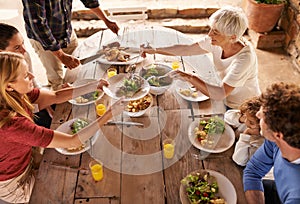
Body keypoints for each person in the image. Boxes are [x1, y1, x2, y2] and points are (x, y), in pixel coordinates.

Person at [0, 52, 123, 203]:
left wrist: (93, 86)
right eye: (26, 76)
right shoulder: (11, 125)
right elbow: (72, 142)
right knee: (72, 188)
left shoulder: (15, 96)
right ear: (8, 86)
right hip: (16, 183)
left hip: (28, 158)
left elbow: (56, 96)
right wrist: (109, 114)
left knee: (79, 168)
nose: (32, 76)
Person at [142, 6, 260, 109]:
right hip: (221, 96)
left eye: (215, 32)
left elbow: (220, 93)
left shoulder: (244, 60)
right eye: (211, 29)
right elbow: (186, 49)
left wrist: (189, 77)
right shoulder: (218, 41)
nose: (209, 34)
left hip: (240, 106)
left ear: (233, 37)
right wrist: (155, 50)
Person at [22, 0, 120, 90]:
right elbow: (38, 25)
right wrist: (61, 55)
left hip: (66, 32)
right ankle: (62, 106)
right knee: (57, 80)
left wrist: (106, 20)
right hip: (44, 39)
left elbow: (89, 0)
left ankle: (81, 97)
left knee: (80, 67)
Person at [243, 82, 300, 204]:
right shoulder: (275, 141)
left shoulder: (297, 196)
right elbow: (253, 171)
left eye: (263, 116)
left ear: (278, 135)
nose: (257, 114)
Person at [0, 22, 54, 128]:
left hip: (27, 100)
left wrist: (47, 103)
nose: (24, 50)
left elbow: (32, 81)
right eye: (17, 47)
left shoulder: (24, 55)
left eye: (23, 43)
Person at [227, 96, 264, 166]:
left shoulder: (258, 142)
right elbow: (226, 116)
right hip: (232, 143)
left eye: (251, 122)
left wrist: (246, 135)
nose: (246, 122)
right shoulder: (249, 117)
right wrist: (240, 118)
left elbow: (239, 161)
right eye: (245, 117)